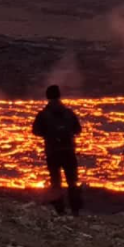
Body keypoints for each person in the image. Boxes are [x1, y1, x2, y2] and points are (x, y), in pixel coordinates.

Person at [31, 84, 84, 215]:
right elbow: (78, 129)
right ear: (59, 96)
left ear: (47, 97)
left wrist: (48, 135)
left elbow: (36, 131)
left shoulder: (43, 114)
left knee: (56, 182)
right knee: (72, 181)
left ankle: (60, 210)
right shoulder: (69, 113)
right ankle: (75, 210)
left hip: (53, 152)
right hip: (68, 151)